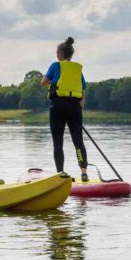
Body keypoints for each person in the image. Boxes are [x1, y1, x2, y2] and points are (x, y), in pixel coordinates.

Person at [40, 36, 89, 182]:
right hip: (75, 108)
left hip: (58, 107)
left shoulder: (56, 65)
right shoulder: (77, 70)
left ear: (61, 53)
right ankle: (84, 172)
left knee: (58, 142)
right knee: (78, 142)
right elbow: (82, 92)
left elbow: (43, 83)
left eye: (57, 53)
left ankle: (61, 173)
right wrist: (79, 110)